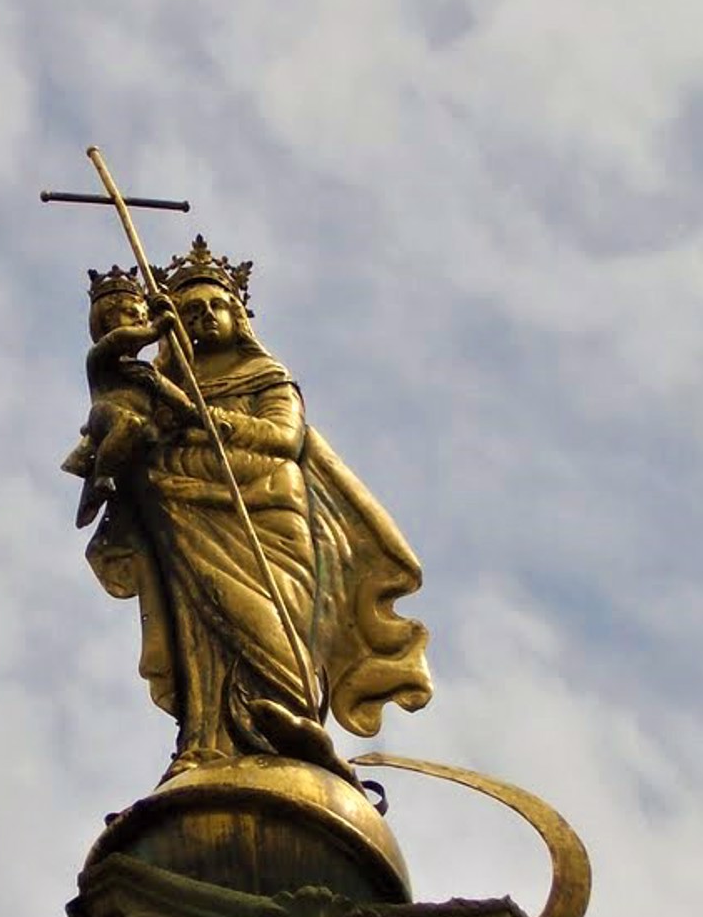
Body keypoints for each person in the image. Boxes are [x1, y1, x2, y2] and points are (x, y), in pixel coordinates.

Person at [78, 236, 431, 777]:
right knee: (200, 623)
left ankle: (293, 718)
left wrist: (204, 417)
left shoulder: (268, 378)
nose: (204, 318)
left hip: (266, 515)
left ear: (237, 315)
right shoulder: (164, 386)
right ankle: (205, 738)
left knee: (271, 618)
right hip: (187, 509)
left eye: (216, 307)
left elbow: (282, 439)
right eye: (191, 311)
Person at [61, 266, 198, 528]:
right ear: (107, 319)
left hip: (144, 429)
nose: (139, 320)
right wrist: (158, 326)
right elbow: (128, 337)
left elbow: (182, 361)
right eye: (130, 313)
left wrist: (172, 319)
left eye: (143, 316)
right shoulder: (102, 354)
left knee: (149, 431)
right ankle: (102, 477)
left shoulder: (145, 371)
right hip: (106, 415)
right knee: (129, 423)